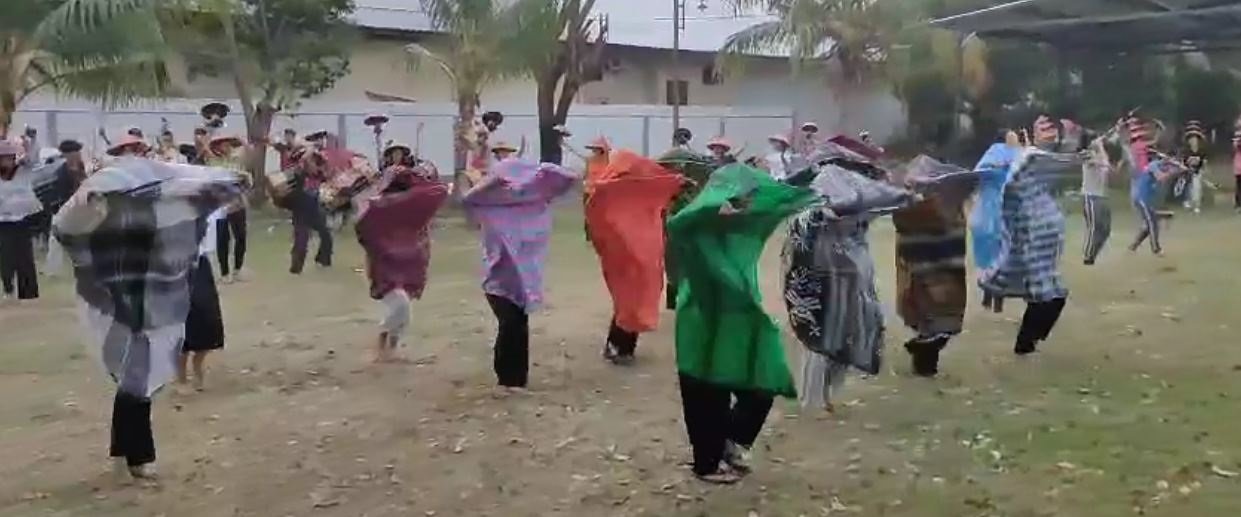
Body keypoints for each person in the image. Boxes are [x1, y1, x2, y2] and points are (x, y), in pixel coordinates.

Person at [53, 158, 240, 481]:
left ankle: (127, 452)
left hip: (152, 301)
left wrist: (228, 182)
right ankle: (137, 457)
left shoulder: (155, 213)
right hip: (119, 301)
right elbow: (66, 226)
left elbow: (190, 197)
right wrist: (90, 203)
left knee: (136, 376)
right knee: (135, 376)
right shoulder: (104, 216)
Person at [668, 162, 816, 484]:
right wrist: (713, 209)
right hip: (703, 317)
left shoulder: (743, 222)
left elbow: (776, 203)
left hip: (740, 315)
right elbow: (678, 225)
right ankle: (707, 463)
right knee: (706, 392)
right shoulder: (697, 227)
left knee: (761, 385)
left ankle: (731, 442)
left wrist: (805, 183)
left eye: (751, 196)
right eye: (744, 195)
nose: (749, 202)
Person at [783, 161, 914, 410]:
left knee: (850, 336)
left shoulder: (859, 199)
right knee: (822, 340)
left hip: (851, 282)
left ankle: (828, 395)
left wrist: (908, 194)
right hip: (820, 286)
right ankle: (814, 399)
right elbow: (799, 254)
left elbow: (890, 200)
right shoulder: (811, 212)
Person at [461, 147, 577, 393]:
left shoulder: (534, 204)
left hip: (523, 281)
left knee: (518, 325)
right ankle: (508, 379)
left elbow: (568, 177)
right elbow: (468, 198)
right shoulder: (492, 207)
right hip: (498, 281)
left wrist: (538, 171)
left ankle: (517, 379)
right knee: (511, 324)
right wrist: (492, 182)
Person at [585, 150, 684, 365]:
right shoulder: (614, 196)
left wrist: (673, 183)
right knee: (627, 300)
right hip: (625, 257)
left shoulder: (646, 198)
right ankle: (617, 346)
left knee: (637, 299)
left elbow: (663, 190)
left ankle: (624, 347)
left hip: (644, 257)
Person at [978, 140, 1076, 355]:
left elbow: (1057, 164)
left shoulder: (1036, 189)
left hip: (1044, 252)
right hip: (1030, 250)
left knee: (1053, 297)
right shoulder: (1013, 185)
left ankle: (1029, 341)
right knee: (1045, 297)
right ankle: (1026, 344)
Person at [355, 150, 449, 363]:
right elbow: (365, 231)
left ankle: (391, 349)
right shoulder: (379, 205)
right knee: (401, 306)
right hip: (386, 265)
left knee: (403, 310)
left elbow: (438, 191)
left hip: (411, 263)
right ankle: (380, 345)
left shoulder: (416, 204)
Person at [893, 156, 978, 376]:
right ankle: (923, 361)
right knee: (931, 322)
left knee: (946, 324)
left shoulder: (951, 209)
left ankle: (922, 352)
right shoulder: (913, 210)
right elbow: (908, 238)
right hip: (923, 274)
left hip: (949, 272)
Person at [179, 208, 226, 391]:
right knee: (182, 319)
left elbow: (231, 203)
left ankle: (198, 364)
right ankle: (181, 377)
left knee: (207, 317)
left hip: (200, 266)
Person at [0, 139, 43, 302]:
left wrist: (29, 142)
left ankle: (29, 292)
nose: (7, 161)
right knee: (6, 257)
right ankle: (8, 288)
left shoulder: (23, 170)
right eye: (4, 158)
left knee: (25, 257)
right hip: (3, 222)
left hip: (23, 219)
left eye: (10, 158)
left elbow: (33, 158)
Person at [288, 149, 334, 274]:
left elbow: (328, 172)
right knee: (301, 242)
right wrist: (309, 153)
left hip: (315, 211)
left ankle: (323, 260)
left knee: (326, 235)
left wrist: (321, 158)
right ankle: (296, 269)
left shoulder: (319, 174)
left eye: (316, 163)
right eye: (312, 163)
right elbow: (300, 163)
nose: (315, 166)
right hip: (300, 212)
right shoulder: (299, 174)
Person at [1129, 152, 1181, 256]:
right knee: (1152, 223)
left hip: (1147, 200)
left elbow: (1169, 174)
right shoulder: (1154, 165)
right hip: (1141, 198)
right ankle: (1156, 249)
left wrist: (1180, 170)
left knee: (1149, 225)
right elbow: (1160, 177)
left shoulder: (1165, 167)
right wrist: (1173, 171)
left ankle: (1133, 246)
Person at [1081, 134, 1113, 265]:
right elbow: (1105, 164)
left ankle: (1093, 255)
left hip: (1102, 196)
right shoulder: (1086, 155)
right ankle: (1087, 256)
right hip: (1090, 196)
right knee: (1094, 227)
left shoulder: (1099, 154)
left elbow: (1107, 165)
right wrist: (1099, 146)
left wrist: (1101, 147)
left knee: (1105, 230)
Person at [1179, 121, 1207, 213]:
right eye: (1191, 138)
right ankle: (1188, 202)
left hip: (1198, 171)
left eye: (1195, 138)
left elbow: (1203, 161)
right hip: (1188, 172)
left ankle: (1197, 205)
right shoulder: (1185, 150)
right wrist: (1186, 166)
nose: (1193, 140)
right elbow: (1183, 161)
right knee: (1188, 187)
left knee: (1197, 187)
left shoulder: (1202, 150)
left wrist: (1201, 167)